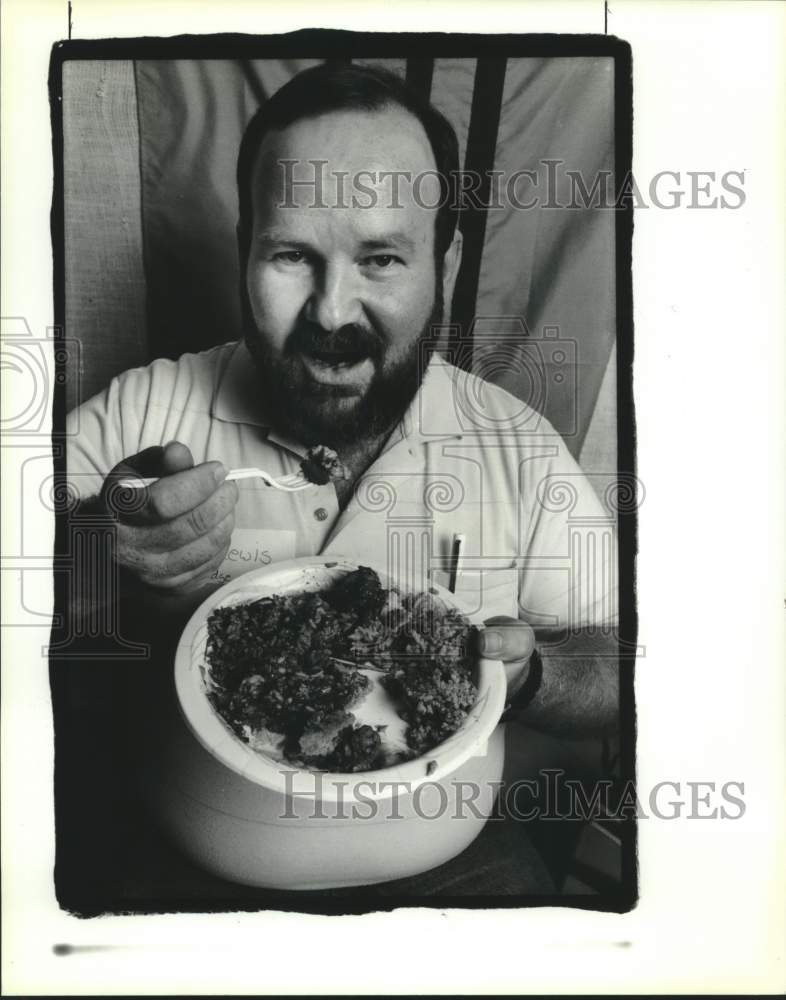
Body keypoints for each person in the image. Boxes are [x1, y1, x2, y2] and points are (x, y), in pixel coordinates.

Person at [65, 63, 619, 894]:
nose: (330, 312)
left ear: (445, 258)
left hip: (454, 867)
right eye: (292, 254)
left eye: (383, 258)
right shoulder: (140, 417)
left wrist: (532, 669)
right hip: (177, 859)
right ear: (243, 251)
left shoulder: (518, 446)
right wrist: (98, 562)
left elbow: (626, 665)